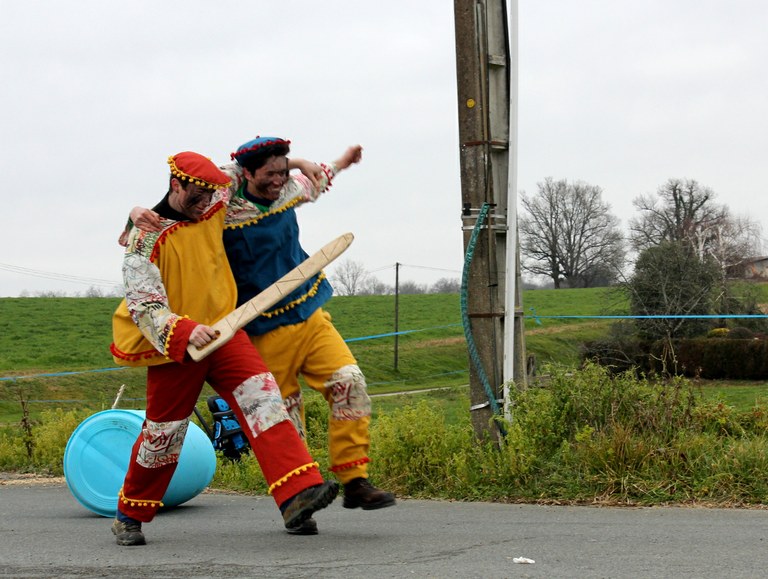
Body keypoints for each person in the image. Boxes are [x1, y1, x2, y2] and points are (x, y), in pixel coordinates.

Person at [125, 137, 396, 534]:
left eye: (209, 195)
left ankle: (298, 497)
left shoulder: (217, 201)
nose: (205, 204)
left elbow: (249, 174)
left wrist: (310, 161)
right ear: (176, 186)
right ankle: (130, 515)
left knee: (266, 405)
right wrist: (185, 330)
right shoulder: (147, 236)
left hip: (230, 328)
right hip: (179, 346)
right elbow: (144, 306)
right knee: (164, 435)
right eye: (196, 195)